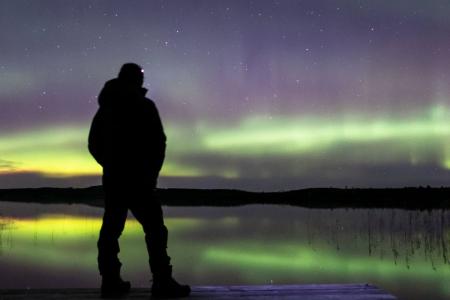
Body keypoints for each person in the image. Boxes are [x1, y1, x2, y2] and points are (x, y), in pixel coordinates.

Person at [88, 63, 190, 298]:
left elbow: (95, 144)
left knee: (115, 230)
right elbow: (158, 143)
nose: (141, 81)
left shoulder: (109, 108)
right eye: (139, 77)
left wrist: (112, 165)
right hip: (135, 180)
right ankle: (160, 281)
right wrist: (144, 171)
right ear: (134, 80)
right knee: (151, 229)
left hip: (124, 179)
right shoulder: (140, 107)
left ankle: (112, 281)